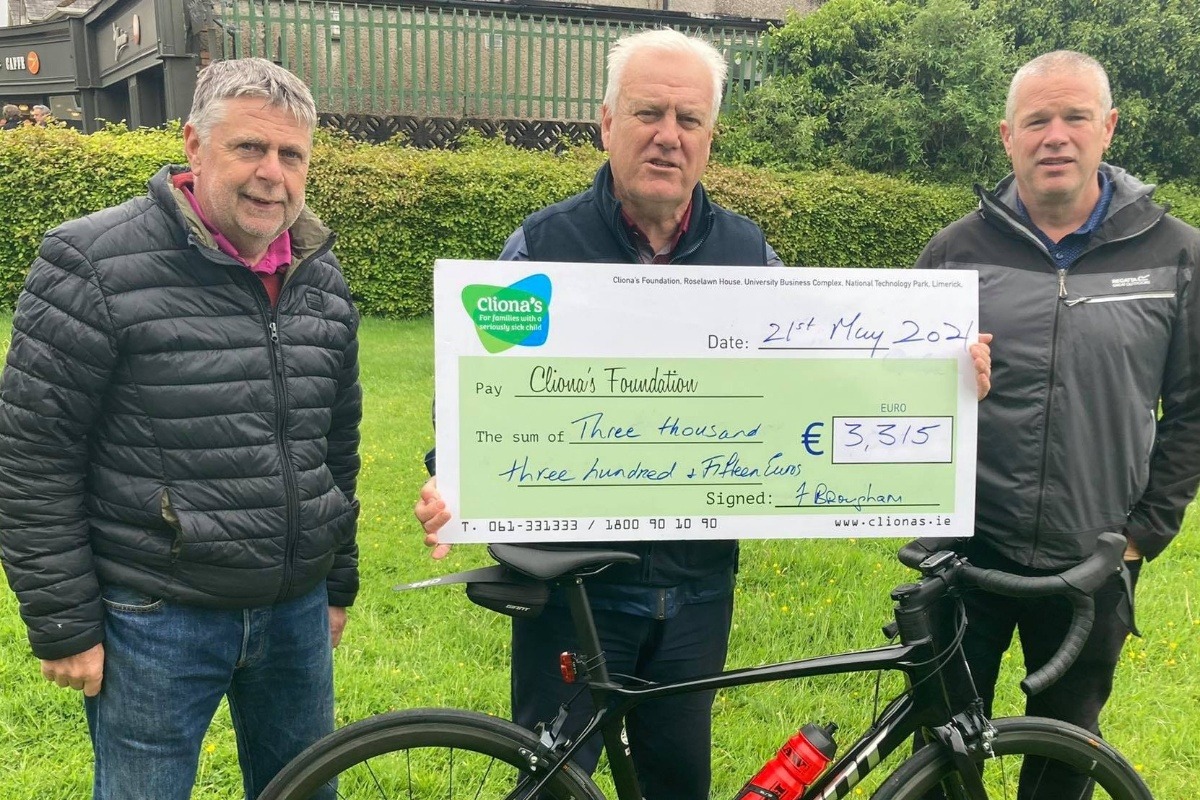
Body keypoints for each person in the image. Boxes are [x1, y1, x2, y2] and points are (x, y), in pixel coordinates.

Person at [415, 29, 991, 800]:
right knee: (554, 782)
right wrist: (450, 477)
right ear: (606, 123)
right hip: (577, 588)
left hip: (695, 590)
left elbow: (824, 376)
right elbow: (472, 388)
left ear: (710, 140)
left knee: (677, 782)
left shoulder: (750, 257)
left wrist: (941, 383)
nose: (667, 136)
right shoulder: (542, 247)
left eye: (688, 121)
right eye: (649, 113)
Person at [0, 57, 361, 800]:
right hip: (155, 615)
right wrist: (65, 624)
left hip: (294, 609)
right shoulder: (93, 260)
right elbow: (33, 451)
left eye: (291, 155)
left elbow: (336, 443)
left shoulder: (319, 275)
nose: (272, 174)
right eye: (249, 148)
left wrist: (338, 581)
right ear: (195, 146)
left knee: (305, 792)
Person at [915, 50, 1200, 797]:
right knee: (941, 752)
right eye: (1037, 120)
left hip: (1094, 559)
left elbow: (1194, 405)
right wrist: (938, 379)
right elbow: (892, 388)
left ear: (1107, 129)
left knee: (1065, 756)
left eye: (1075, 117)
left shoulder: (1177, 255)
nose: (1056, 136)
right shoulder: (954, 252)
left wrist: (1146, 531)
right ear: (1007, 136)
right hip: (967, 551)